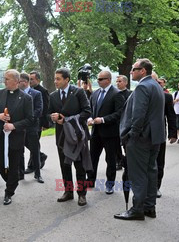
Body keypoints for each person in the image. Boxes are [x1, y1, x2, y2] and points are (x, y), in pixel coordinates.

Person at [115, 59, 165, 221]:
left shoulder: (143, 86)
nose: (131, 72)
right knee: (151, 172)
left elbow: (139, 115)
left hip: (141, 139)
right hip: (155, 137)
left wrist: (132, 135)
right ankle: (150, 208)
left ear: (142, 71)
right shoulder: (156, 85)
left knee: (138, 175)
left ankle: (137, 209)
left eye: (133, 69)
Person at [0, 69, 33, 205]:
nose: (4, 81)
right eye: (4, 78)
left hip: (16, 137)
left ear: (16, 81)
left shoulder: (26, 98)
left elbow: (30, 119)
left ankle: (9, 192)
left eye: (7, 79)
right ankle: (11, 181)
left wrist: (14, 126)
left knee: (13, 165)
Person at [48, 68, 92, 206]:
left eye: (58, 79)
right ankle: (68, 192)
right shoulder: (53, 96)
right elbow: (47, 115)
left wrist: (67, 119)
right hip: (61, 136)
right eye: (55, 79)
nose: (55, 81)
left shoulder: (78, 92)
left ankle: (82, 194)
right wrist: (52, 117)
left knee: (79, 166)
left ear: (67, 79)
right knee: (64, 165)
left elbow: (87, 111)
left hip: (77, 134)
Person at [87, 71, 125, 194]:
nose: (98, 81)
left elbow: (119, 113)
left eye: (101, 79)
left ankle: (110, 184)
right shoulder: (95, 93)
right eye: (97, 79)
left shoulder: (117, 94)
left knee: (111, 160)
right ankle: (91, 180)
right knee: (92, 158)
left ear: (108, 80)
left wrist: (103, 120)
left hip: (110, 133)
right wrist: (90, 118)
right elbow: (91, 110)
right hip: (96, 133)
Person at [151, 72, 177, 199]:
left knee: (159, 162)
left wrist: (173, 134)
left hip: (160, 134)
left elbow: (171, 116)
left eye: (158, 82)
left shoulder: (167, 97)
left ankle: (156, 187)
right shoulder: (140, 93)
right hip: (143, 136)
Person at [17, 72, 44, 183]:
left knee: (35, 151)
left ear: (26, 82)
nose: (18, 84)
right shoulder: (16, 94)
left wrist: (28, 120)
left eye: (20, 82)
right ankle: (21, 173)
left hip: (32, 127)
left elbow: (39, 110)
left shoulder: (36, 94)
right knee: (20, 151)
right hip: (19, 128)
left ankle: (38, 174)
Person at [24, 71, 49, 174]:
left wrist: (45, 124)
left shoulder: (42, 91)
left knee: (33, 143)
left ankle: (31, 166)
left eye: (32, 79)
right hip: (27, 122)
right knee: (27, 142)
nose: (30, 81)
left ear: (38, 80)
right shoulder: (28, 91)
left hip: (38, 122)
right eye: (29, 79)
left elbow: (45, 108)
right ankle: (40, 155)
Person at [115, 75, 132, 169]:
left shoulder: (130, 94)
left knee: (126, 144)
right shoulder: (114, 93)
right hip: (116, 123)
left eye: (120, 81)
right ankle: (119, 161)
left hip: (126, 123)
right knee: (116, 144)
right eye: (117, 81)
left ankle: (128, 161)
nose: (117, 83)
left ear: (126, 83)